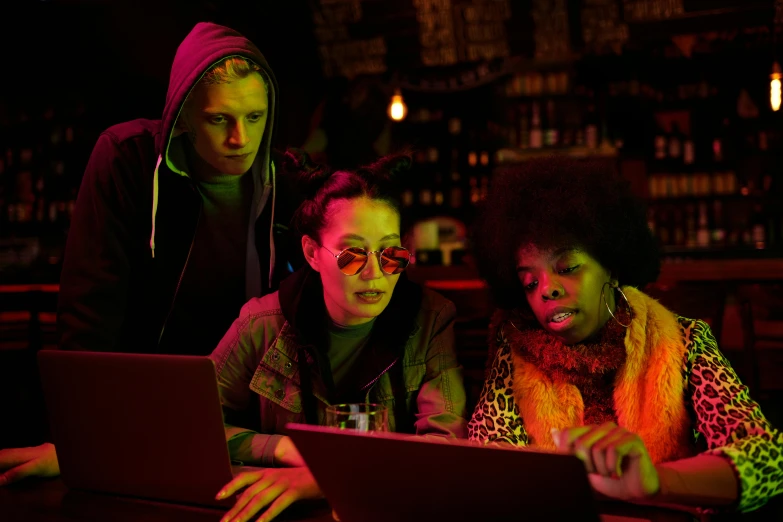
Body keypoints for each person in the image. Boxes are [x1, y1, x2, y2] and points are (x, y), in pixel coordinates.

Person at [0, 21, 302, 485]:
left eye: (255, 118)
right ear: (181, 115)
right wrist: (83, 440)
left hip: (240, 422)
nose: (241, 138)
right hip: (135, 413)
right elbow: (89, 312)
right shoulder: (128, 158)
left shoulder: (284, 178)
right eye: (220, 119)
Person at [466, 157, 783, 514]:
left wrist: (655, 483)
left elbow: (767, 460)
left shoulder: (684, 340)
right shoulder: (516, 354)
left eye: (567, 268)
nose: (547, 290)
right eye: (530, 281)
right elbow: (487, 461)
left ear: (612, 266)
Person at [210, 150, 467, 522]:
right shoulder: (262, 324)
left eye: (390, 254)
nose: (375, 273)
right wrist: (285, 448)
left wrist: (321, 478)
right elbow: (192, 431)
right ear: (312, 253)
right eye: (353, 255)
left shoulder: (430, 319)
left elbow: (446, 445)